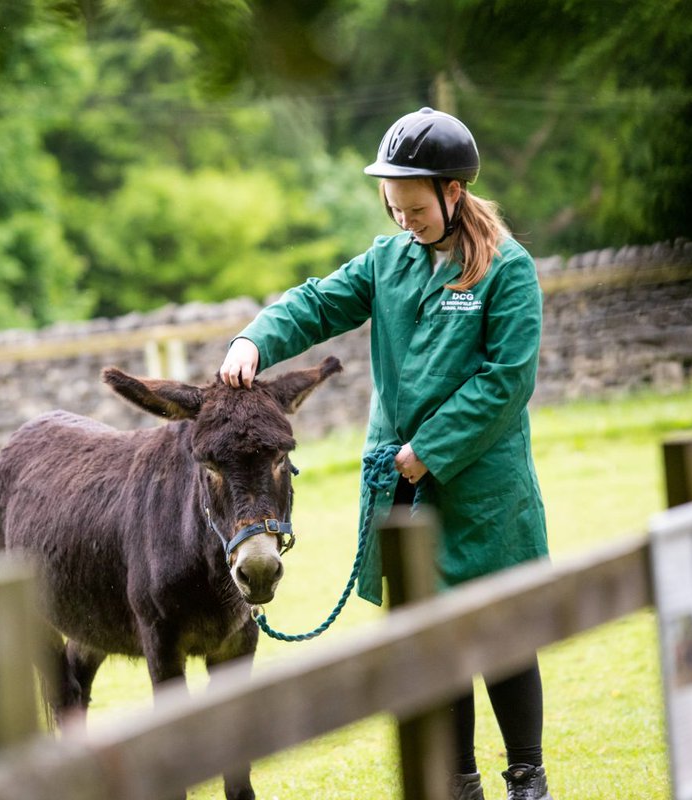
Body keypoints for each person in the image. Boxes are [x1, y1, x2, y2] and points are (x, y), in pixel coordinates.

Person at [218, 108, 553, 800]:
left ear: (453, 192)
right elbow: (315, 305)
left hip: (483, 492)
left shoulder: (508, 272)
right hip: (403, 494)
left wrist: (427, 450)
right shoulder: (388, 261)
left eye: (416, 208)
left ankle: (528, 779)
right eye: (394, 207)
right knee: (434, 642)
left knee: (502, 634)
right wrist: (255, 340)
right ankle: (457, 785)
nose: (405, 221)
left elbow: (506, 381)